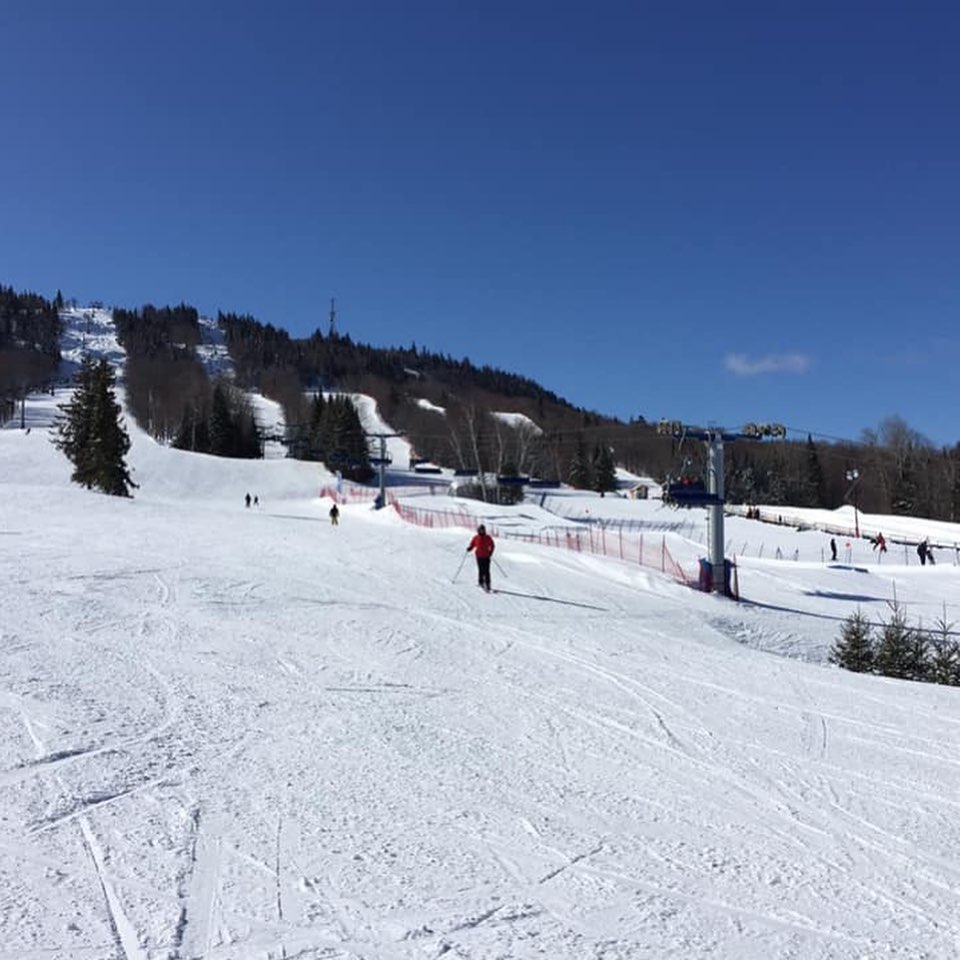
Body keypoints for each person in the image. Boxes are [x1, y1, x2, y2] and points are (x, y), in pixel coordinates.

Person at [467, 523, 495, 592]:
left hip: (486, 556)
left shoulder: (488, 537)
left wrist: (490, 552)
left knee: (487, 571)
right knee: (481, 570)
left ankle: (488, 583)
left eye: (483, 530)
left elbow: (492, 545)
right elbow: (473, 544)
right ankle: (481, 582)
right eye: (480, 530)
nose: (481, 531)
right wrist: (470, 548)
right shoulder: (476, 537)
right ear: (478, 530)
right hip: (479, 556)